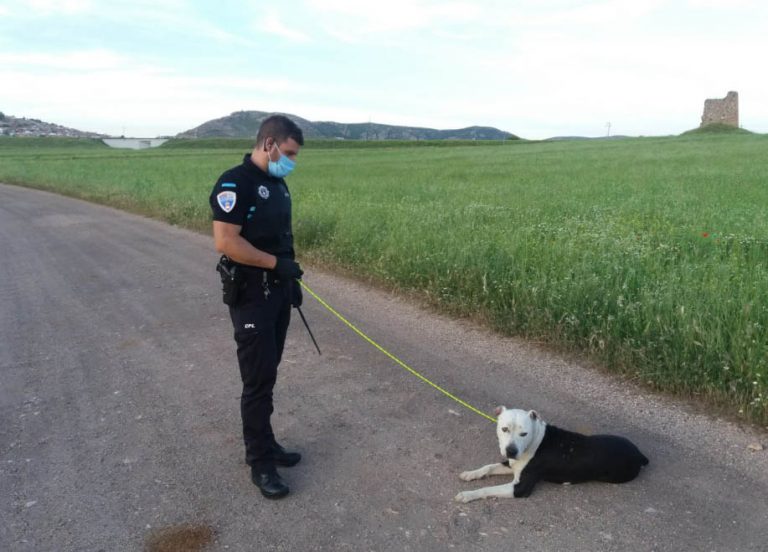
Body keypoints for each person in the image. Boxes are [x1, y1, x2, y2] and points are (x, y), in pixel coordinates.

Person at [209, 115, 305, 499]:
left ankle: (269, 445)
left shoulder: (277, 184)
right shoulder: (235, 183)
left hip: (278, 292)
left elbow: (283, 238)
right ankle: (260, 463)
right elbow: (226, 242)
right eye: (290, 153)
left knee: (269, 372)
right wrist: (274, 265)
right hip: (251, 297)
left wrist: (290, 279)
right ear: (270, 144)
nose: (293, 161)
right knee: (256, 381)